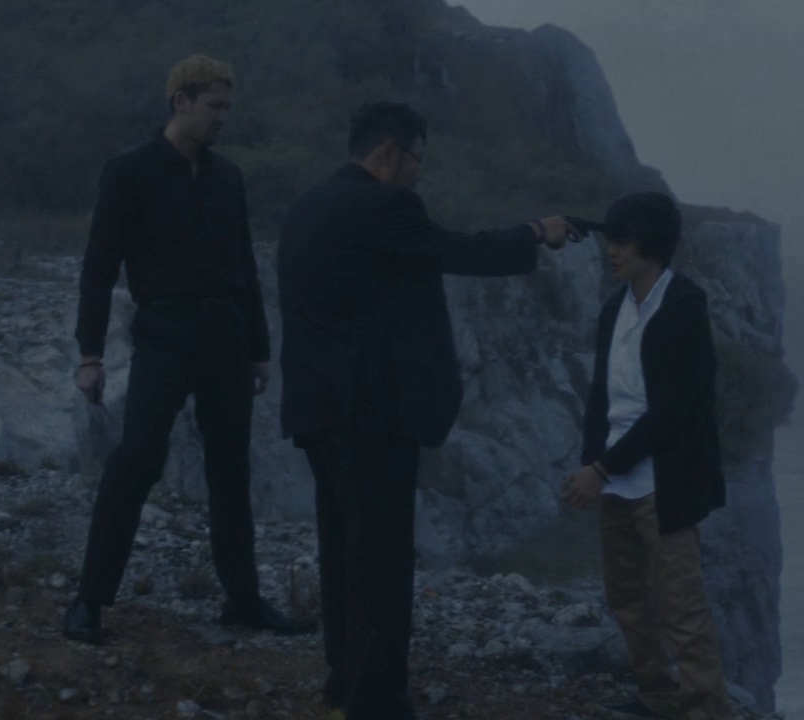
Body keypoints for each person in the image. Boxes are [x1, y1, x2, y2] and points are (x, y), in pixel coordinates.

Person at [277, 100, 581, 720]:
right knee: (382, 560)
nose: (419, 172)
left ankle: (344, 678)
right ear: (390, 151)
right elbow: (460, 251)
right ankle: (376, 701)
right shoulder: (387, 207)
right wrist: (535, 232)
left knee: (342, 550)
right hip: (372, 414)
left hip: (318, 406)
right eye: (417, 158)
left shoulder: (307, 206)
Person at [63, 54, 316, 644]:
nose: (223, 117)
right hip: (165, 333)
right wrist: (90, 354)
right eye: (214, 106)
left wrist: (258, 348)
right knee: (136, 460)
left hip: (226, 336)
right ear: (181, 101)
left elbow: (244, 265)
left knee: (231, 469)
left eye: (228, 107)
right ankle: (89, 600)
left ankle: (243, 601)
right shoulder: (130, 171)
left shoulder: (228, 177)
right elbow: (99, 268)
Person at [563, 192, 735, 720]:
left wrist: (600, 468)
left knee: (681, 607)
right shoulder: (614, 310)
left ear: (651, 246)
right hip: (616, 478)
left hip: (664, 482)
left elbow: (675, 409)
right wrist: (596, 464)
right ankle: (656, 696)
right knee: (627, 600)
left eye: (622, 241)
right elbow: (601, 397)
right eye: (610, 240)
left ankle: (705, 709)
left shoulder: (683, 306)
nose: (611, 251)